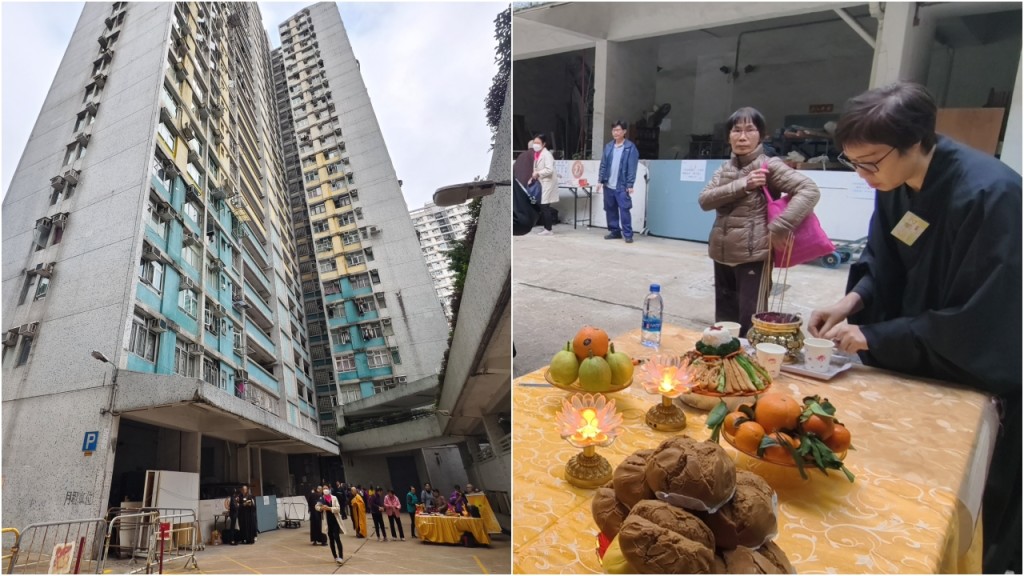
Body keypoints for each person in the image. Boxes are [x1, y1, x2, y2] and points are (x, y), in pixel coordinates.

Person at [807, 82, 1021, 575]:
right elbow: (884, 260)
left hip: (970, 366)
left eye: (871, 163)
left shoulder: (991, 194)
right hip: (913, 355)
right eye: (852, 163)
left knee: (957, 501)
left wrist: (876, 337)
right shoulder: (894, 185)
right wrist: (850, 302)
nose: (862, 176)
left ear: (917, 142)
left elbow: (985, 316)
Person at [698, 106, 821, 337]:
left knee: (751, 322)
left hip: (754, 256)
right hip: (722, 253)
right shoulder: (724, 169)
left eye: (749, 130)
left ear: (761, 135)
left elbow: (809, 190)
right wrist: (744, 184)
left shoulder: (770, 166)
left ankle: (751, 368)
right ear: (729, 136)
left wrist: (779, 227)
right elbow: (704, 200)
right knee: (724, 323)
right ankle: (724, 364)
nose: (742, 137)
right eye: (736, 131)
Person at [598, 120, 640, 244]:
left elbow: (632, 167)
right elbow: (603, 164)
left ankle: (628, 234)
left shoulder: (630, 147)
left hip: (621, 185)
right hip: (608, 184)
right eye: (613, 130)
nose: (615, 133)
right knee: (610, 209)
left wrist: (630, 184)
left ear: (624, 132)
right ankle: (615, 231)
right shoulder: (609, 146)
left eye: (618, 130)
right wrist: (600, 180)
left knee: (624, 209)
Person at [529, 133, 558, 236]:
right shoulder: (537, 155)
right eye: (534, 142)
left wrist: (538, 173)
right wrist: (533, 176)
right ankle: (547, 227)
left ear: (544, 144)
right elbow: (536, 169)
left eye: (538, 143)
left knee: (545, 205)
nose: (535, 144)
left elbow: (549, 170)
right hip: (541, 182)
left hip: (547, 182)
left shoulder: (547, 155)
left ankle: (548, 229)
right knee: (543, 205)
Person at [316, 485, 346, 565]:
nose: (325, 490)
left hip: (335, 521)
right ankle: (335, 556)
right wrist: (322, 508)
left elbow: (338, 509)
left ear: (329, 489)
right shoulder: (321, 499)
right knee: (331, 539)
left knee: (337, 537)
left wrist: (329, 508)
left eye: (326, 488)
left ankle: (341, 556)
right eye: (324, 489)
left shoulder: (334, 498)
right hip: (327, 522)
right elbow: (316, 507)